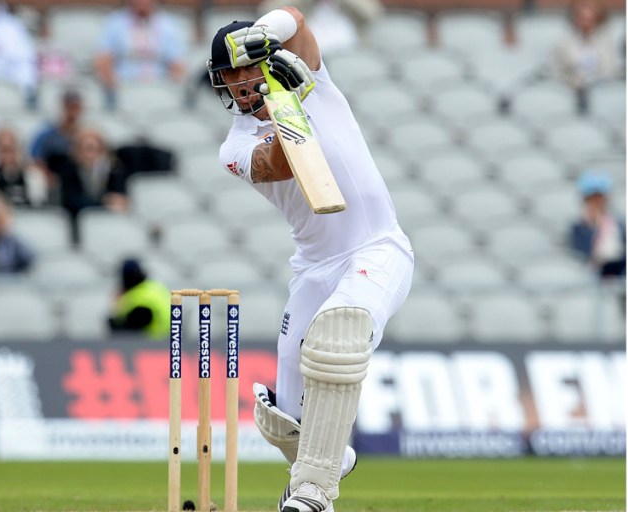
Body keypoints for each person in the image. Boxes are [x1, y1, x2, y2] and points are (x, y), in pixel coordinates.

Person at [210, 8, 413, 511]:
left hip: (378, 248)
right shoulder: (235, 145)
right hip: (313, 269)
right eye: (231, 74)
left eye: (247, 65)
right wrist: (289, 102)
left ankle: (312, 492)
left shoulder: (314, 79)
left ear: (265, 58)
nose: (241, 80)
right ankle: (326, 459)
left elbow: (297, 20)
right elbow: (282, 163)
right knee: (283, 419)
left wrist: (268, 34)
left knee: (337, 335)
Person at [94, 0, 187, 110]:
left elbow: (178, 66)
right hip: (124, 88)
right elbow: (103, 61)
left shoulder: (169, 25)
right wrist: (112, 88)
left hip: (159, 88)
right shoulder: (114, 23)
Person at [554, 0, 620, 111]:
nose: (585, 22)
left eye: (589, 18)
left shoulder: (607, 42)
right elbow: (557, 70)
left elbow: (611, 69)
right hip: (570, 90)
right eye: (582, 17)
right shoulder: (564, 43)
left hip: (602, 91)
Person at [51, 128, 129, 220]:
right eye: (88, 149)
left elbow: (119, 194)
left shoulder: (111, 169)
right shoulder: (68, 169)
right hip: (76, 219)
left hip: (107, 217)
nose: (92, 155)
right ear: (78, 150)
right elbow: (72, 200)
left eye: (97, 150)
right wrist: (104, 203)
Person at [569, 171, 625, 279]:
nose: (597, 202)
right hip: (592, 274)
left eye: (599, 197)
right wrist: (592, 225)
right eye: (592, 198)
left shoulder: (618, 223)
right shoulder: (578, 228)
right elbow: (583, 253)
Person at [108, 258, 169, 340]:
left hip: (151, 343)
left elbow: (124, 333)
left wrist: (115, 312)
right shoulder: (155, 286)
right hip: (168, 341)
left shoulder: (138, 301)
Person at [30, 87, 84, 168]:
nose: (72, 111)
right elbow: (36, 159)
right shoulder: (46, 136)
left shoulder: (85, 136)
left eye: (75, 107)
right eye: (68, 106)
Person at [0, 126, 48, 208]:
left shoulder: (34, 177)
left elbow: (39, 207)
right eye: (4, 150)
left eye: (11, 150)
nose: (8, 156)